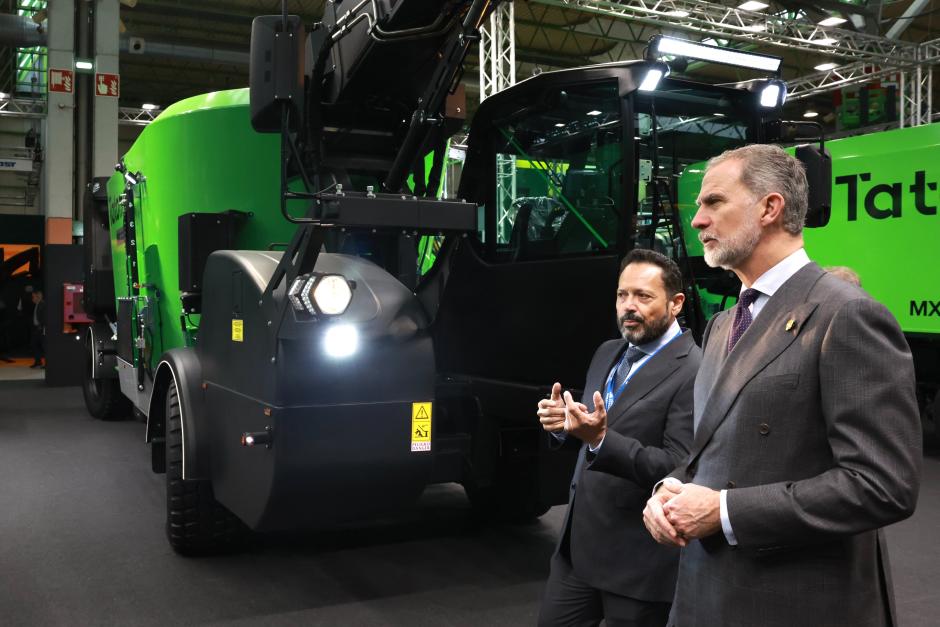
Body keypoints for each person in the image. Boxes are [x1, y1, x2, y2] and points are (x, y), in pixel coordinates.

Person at [642, 144, 921, 627]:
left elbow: (883, 484)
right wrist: (673, 488)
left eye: (713, 203)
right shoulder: (723, 324)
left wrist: (726, 511)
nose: (697, 221)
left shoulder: (846, 314)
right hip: (705, 596)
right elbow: (714, 446)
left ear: (770, 208)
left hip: (792, 604)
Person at [537, 248, 701, 627]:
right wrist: (564, 424)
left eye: (643, 297)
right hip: (577, 553)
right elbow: (591, 423)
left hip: (638, 566)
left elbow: (678, 467)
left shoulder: (695, 369)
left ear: (676, 303)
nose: (629, 306)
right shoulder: (609, 352)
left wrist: (600, 440)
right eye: (622, 295)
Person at [30, 288, 45, 368]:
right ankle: (38, 362)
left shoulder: (43, 304)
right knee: (34, 344)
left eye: (33, 296)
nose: (32, 298)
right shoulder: (37, 304)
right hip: (36, 328)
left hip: (41, 328)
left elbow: (44, 318)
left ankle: (47, 363)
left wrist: (42, 326)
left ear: (38, 296)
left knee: (44, 346)